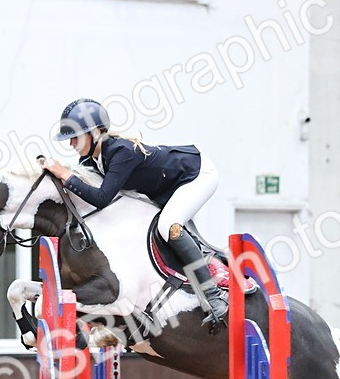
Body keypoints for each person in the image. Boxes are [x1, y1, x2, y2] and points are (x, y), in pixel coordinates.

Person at [41, 98, 227, 328]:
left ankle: (214, 297)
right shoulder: (91, 159)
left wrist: (64, 174)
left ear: (95, 133)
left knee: (168, 226)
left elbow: (100, 198)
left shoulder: (121, 151)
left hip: (196, 176)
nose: (70, 144)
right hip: (166, 188)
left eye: (74, 137)